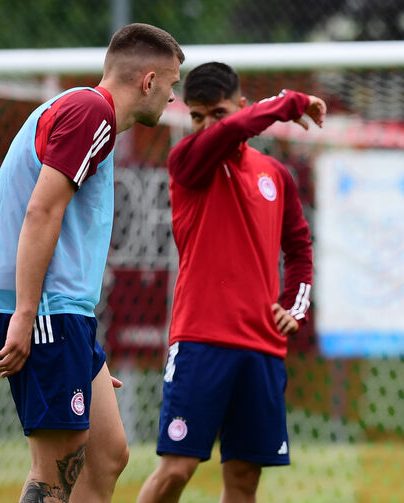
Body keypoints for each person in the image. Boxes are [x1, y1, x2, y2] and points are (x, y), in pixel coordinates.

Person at [0, 23, 184, 503]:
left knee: (107, 454)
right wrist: (28, 316)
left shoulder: (86, 113)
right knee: (54, 472)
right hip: (42, 311)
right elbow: (41, 211)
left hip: (60, 314)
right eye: (172, 83)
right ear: (148, 81)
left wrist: (80, 348)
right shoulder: (92, 112)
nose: (174, 97)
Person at [136, 62, 325, 503]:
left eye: (217, 114)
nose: (206, 127)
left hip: (261, 348)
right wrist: (288, 103)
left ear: (240, 106)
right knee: (176, 470)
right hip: (201, 340)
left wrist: (294, 308)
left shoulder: (276, 176)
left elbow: (299, 249)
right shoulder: (187, 160)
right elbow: (230, 134)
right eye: (196, 117)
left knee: (243, 481)